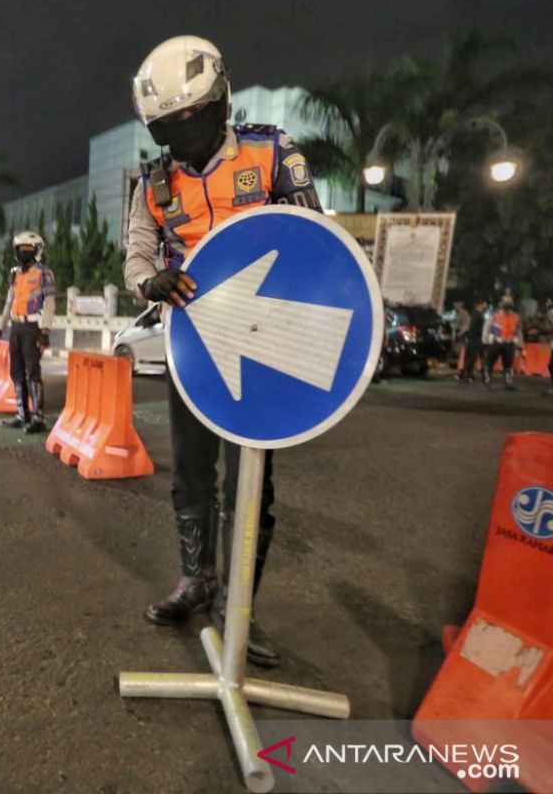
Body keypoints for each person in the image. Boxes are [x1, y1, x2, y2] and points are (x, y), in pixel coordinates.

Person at [122, 36, 323, 667]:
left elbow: (312, 236)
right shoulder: (154, 185)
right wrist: (147, 281)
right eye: (168, 125)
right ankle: (196, 581)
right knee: (189, 474)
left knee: (252, 483)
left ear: (221, 101)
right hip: (195, 345)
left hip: (265, 345)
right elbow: (137, 254)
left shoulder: (271, 151)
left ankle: (240, 605)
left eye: (194, 115)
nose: (185, 131)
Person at [0, 231, 56, 434]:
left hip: (32, 328)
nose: (24, 252)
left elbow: (49, 302)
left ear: (37, 250)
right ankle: (22, 414)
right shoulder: (15, 273)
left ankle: (38, 417)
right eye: (20, 249)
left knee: (33, 373)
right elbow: (8, 302)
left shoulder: (44, 273)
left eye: (28, 249)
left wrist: (45, 330)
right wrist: (0, 327)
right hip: (16, 327)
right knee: (16, 372)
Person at [481, 295, 523, 390]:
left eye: (509, 302)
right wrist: (485, 342)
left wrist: (519, 345)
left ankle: (508, 383)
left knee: (508, 364)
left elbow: (518, 331)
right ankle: (487, 381)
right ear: (500, 303)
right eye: (505, 302)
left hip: (509, 343)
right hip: (495, 342)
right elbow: (486, 328)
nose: (507, 304)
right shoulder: (494, 315)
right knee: (489, 362)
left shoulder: (516, 317)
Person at [457, 299, 488, 382]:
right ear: (480, 305)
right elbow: (474, 327)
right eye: (485, 304)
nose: (486, 306)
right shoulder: (476, 315)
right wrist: (482, 332)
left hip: (476, 339)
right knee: (472, 358)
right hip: (475, 339)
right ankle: (466, 375)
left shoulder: (479, 315)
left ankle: (466, 374)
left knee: (473, 358)